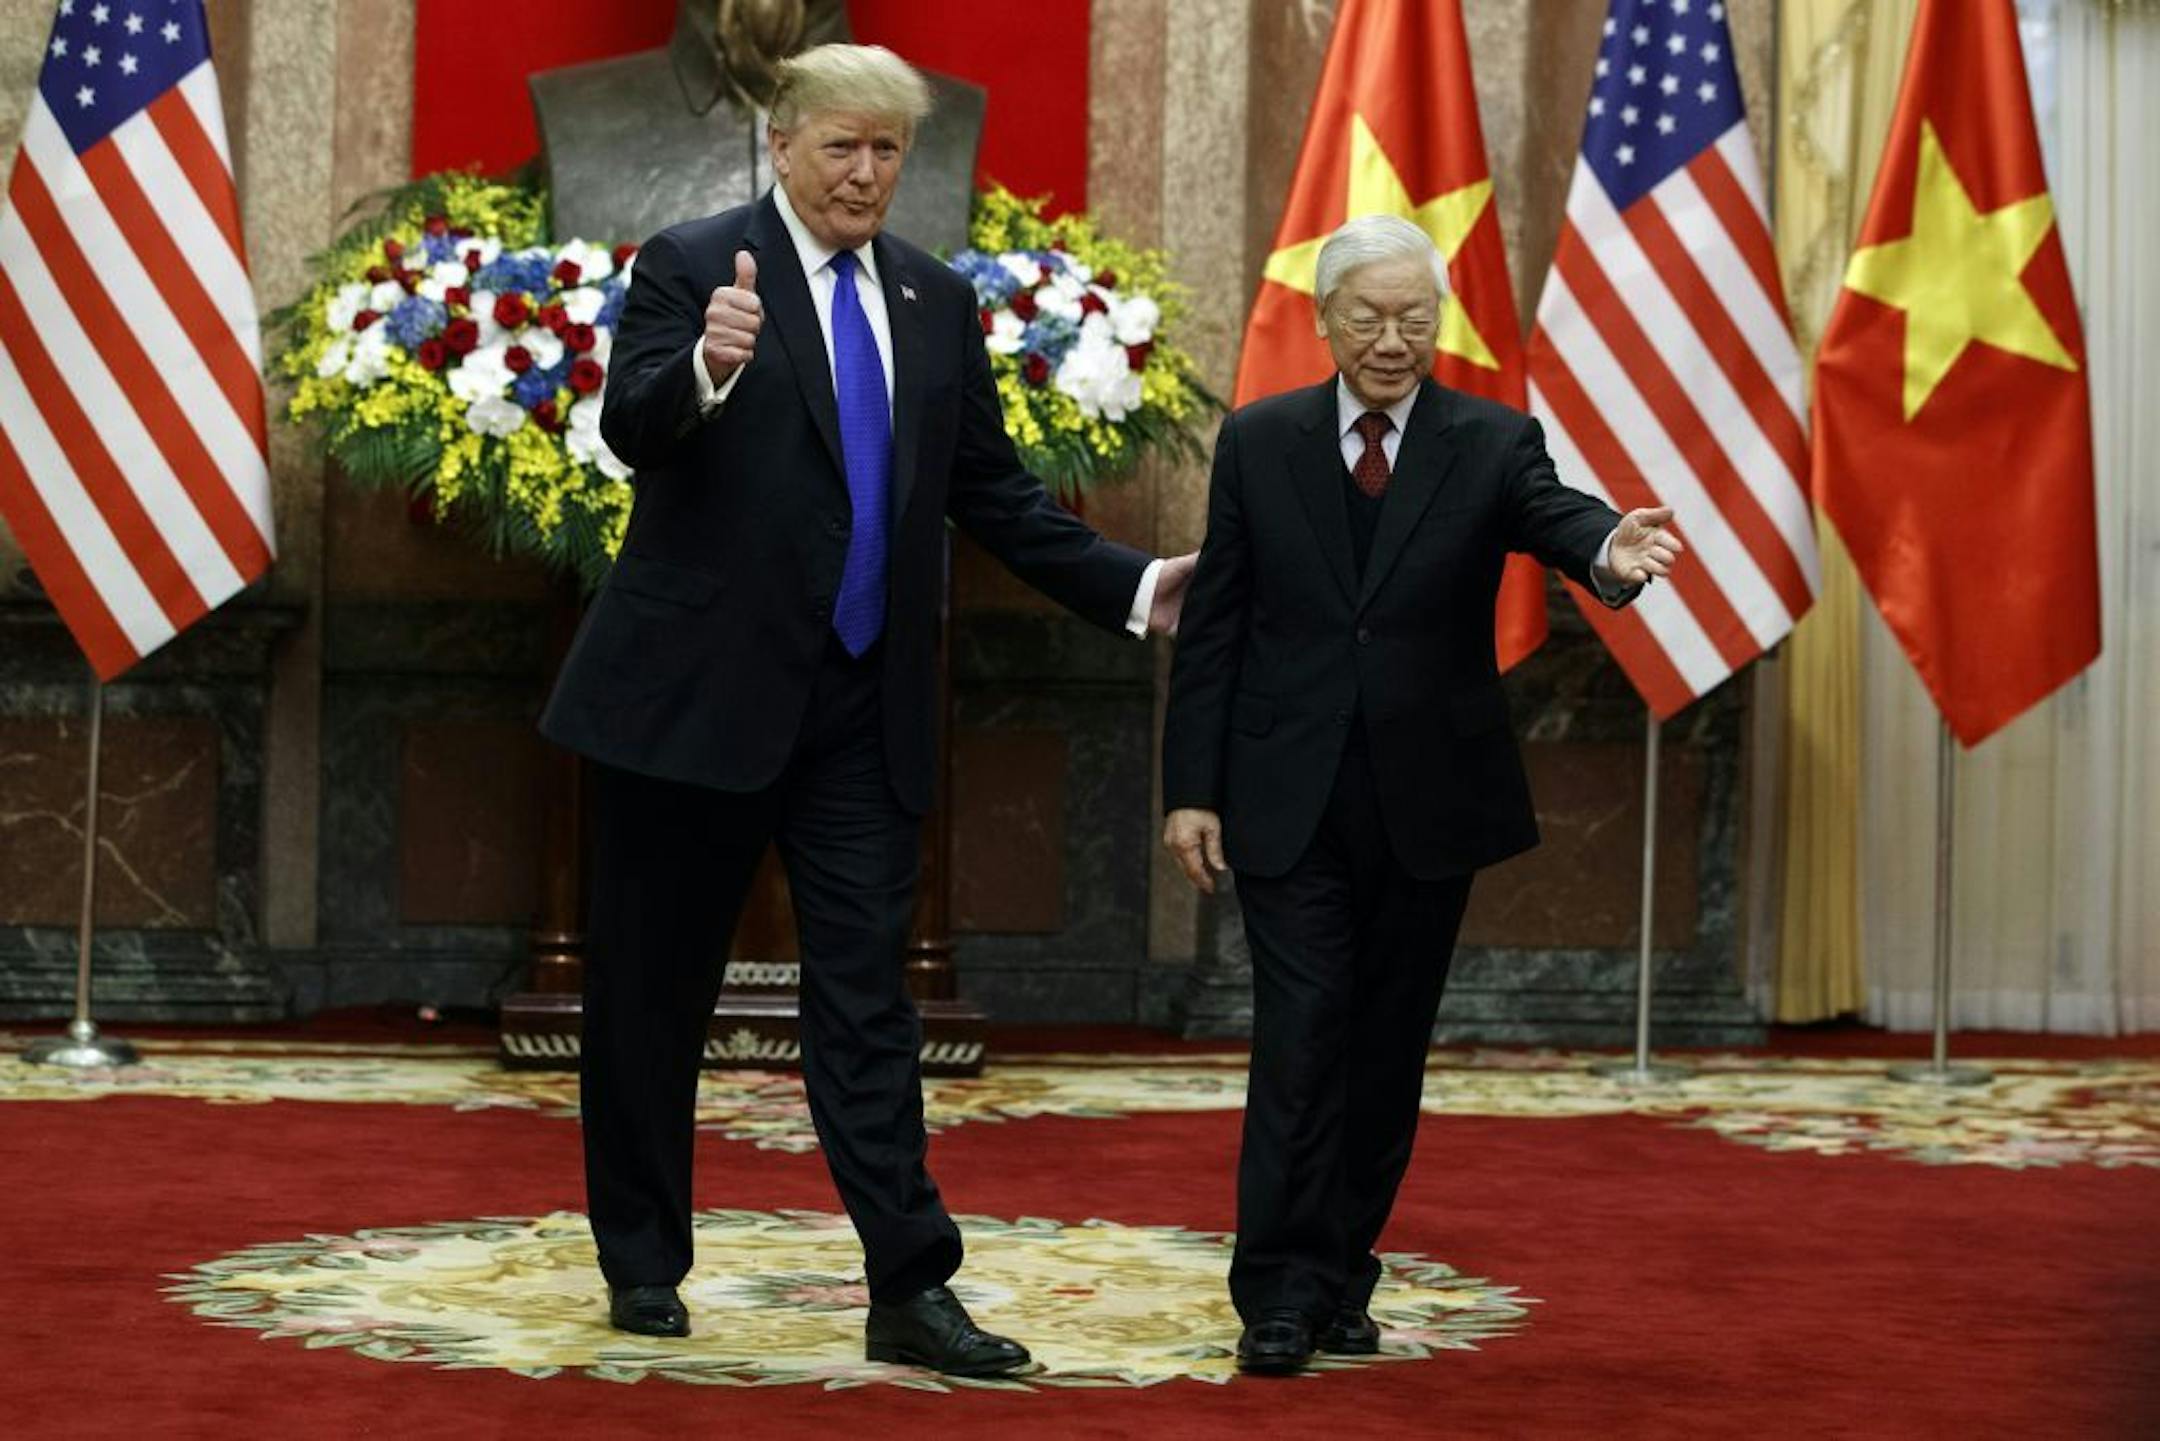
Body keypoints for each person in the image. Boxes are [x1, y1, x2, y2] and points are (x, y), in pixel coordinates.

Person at [540, 43, 1192, 1377]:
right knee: (652, 1001)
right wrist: (708, 371)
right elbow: (635, 430)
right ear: (778, 146)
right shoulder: (691, 264)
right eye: (841, 145)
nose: (865, 171)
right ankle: (645, 1260)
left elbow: (993, 495)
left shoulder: (935, 300)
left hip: (859, 708)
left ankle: (911, 1285)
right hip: (691, 709)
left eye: (888, 150)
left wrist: (1138, 589)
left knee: (867, 1011)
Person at [1160, 214, 1681, 1376]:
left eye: (1415, 318)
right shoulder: (1259, 439)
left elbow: (1560, 521)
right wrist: (1191, 788)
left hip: (1427, 797)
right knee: (1302, 1035)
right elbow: (1218, 630)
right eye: (1370, 316)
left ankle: (1344, 1273)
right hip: (1286, 795)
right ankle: (1279, 1293)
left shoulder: (1490, 441)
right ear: (1325, 321)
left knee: (1385, 1048)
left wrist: (1609, 550)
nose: (1394, 340)